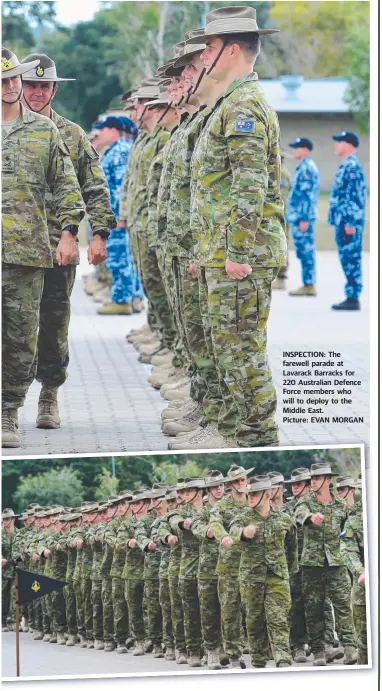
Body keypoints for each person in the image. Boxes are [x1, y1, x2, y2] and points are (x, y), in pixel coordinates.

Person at [188, 6, 286, 448]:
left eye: (209, 46)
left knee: (241, 350)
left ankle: (258, 435)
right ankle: (237, 429)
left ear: (230, 50)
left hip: (241, 254)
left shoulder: (244, 105)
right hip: (222, 250)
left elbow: (251, 186)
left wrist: (238, 253)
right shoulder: (231, 102)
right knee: (228, 348)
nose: (203, 55)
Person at [20, 52, 115, 429]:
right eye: (32, 85)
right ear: (18, 87)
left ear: (54, 89)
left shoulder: (72, 135)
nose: (38, 92)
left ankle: (49, 395)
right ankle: (8, 402)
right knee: (10, 326)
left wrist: (100, 234)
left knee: (53, 324)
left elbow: (94, 187)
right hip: (11, 249)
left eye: (45, 86)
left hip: (60, 247)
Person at [2, 48, 86, 448]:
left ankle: (12, 409)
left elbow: (73, 186)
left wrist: (72, 232)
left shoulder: (47, 131)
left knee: (26, 337)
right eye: (6, 81)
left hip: (29, 251)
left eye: (15, 79)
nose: (14, 88)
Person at [229, 475, 298, 668]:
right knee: (254, 620)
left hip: (277, 577)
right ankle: (259, 660)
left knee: (278, 618)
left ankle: (283, 659)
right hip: (252, 579)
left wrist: (287, 572)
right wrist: (243, 533)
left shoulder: (284, 520)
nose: (250, 497)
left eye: (255, 493)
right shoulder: (243, 519)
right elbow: (232, 531)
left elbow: (292, 547)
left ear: (267, 495)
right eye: (249, 494)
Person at [295, 462, 358, 666]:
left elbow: (349, 530)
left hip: (337, 564)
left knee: (342, 606)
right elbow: (299, 514)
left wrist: (345, 535)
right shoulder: (306, 502)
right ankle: (319, 650)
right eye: (312, 478)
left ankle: (350, 647)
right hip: (312, 566)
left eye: (317, 478)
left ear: (327, 480)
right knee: (314, 609)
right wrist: (311, 517)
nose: (313, 481)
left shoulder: (340, 505)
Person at [93, 115, 144, 315]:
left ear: (113, 130)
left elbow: (124, 186)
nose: (100, 133)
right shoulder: (114, 151)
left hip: (118, 217)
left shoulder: (120, 151)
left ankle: (122, 300)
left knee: (119, 257)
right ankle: (134, 297)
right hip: (114, 215)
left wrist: (121, 216)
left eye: (103, 129)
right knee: (124, 257)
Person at [328, 130, 367, 311]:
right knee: (347, 258)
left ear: (349, 144)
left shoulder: (352, 165)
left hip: (349, 222)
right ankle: (351, 294)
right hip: (343, 220)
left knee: (351, 259)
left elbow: (355, 196)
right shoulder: (347, 164)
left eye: (340, 142)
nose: (336, 145)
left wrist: (350, 221)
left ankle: (353, 297)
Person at [286, 137, 320, 296]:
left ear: (306, 149)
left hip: (302, 218)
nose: (294, 150)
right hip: (299, 217)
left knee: (306, 251)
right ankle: (308, 283)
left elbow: (307, 196)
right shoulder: (304, 167)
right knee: (303, 251)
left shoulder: (307, 168)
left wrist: (304, 218)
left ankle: (309, 284)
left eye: (297, 147)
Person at [340, 478, 367, 664]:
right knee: (365, 643)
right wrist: (360, 571)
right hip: (363, 588)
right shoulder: (354, 521)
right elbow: (348, 549)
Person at [273, 152, 293, 290]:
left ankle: (281, 277)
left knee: (281, 244)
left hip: (280, 214)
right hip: (280, 213)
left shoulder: (280, 173)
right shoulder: (284, 173)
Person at [1, 508, 18, 631]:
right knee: (4, 595)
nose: (6, 521)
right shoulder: (1, 534)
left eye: (8, 518)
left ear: (13, 519)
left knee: (14, 594)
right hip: (4, 570)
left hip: (16, 569)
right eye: (4, 519)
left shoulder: (20, 533)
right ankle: (2, 620)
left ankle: (12, 620)